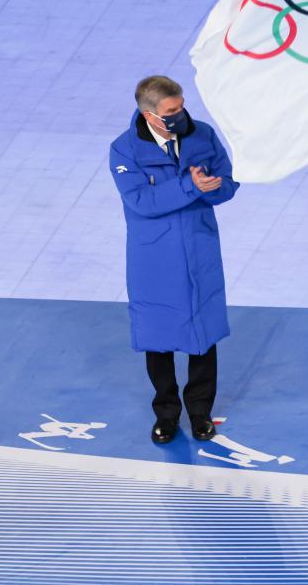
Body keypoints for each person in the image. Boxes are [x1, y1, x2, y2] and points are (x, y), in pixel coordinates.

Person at [109, 76, 239, 445]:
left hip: (199, 249)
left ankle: (200, 414)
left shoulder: (203, 135)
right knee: (158, 337)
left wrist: (215, 188)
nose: (181, 114)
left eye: (181, 106)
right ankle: (166, 414)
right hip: (155, 258)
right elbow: (141, 202)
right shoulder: (125, 150)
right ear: (149, 115)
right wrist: (190, 187)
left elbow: (228, 183)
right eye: (172, 111)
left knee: (204, 336)